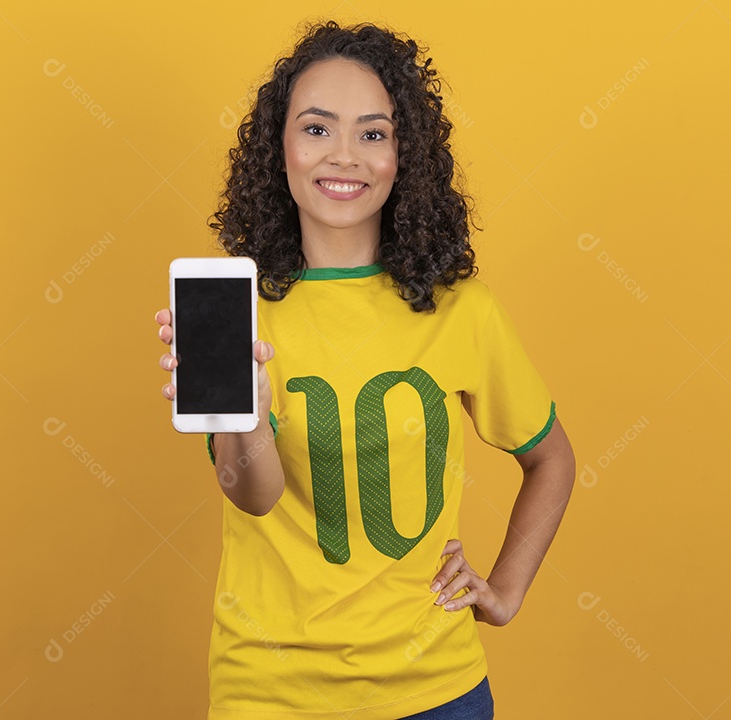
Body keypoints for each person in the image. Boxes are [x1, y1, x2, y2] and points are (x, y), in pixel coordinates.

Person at [155, 20, 576, 719]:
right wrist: (248, 411)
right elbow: (254, 496)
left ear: (402, 155)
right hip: (269, 693)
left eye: (373, 133)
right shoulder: (237, 308)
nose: (343, 156)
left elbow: (551, 459)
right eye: (317, 129)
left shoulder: (460, 309)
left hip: (435, 692)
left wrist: (505, 590)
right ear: (279, 149)